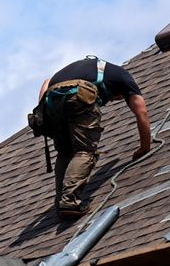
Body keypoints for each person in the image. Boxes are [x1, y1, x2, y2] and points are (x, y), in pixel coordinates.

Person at [37, 55, 151, 218]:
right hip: (77, 94)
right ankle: (69, 201)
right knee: (85, 151)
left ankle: (60, 202)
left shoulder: (89, 68)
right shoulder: (124, 77)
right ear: (121, 91)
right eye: (116, 98)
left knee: (65, 153)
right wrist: (145, 147)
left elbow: (47, 81)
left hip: (51, 100)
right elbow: (142, 112)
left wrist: (42, 111)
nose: (111, 101)